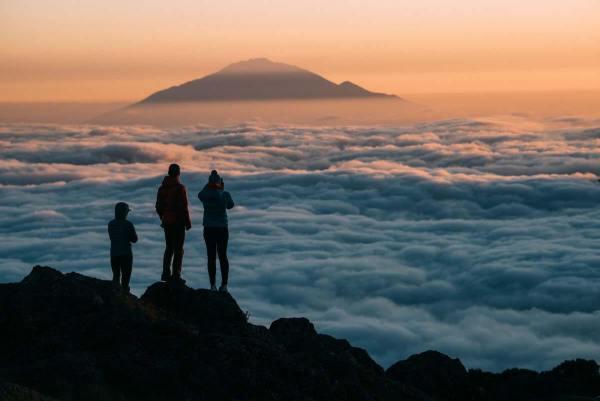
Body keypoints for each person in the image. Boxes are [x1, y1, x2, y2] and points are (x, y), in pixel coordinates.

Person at [198, 170, 235, 292]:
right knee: (223, 256)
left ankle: (212, 285)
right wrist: (221, 188)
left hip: (209, 229)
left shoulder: (205, 195)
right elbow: (231, 205)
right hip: (222, 229)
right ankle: (224, 285)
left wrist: (210, 185)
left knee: (211, 257)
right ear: (219, 182)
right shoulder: (225, 194)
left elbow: (200, 195)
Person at [156, 163, 192, 283]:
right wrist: (187, 222)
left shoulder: (162, 189)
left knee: (169, 248)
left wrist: (163, 217)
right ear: (178, 173)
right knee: (178, 249)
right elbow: (183, 207)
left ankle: (165, 274)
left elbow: (158, 207)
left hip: (167, 221)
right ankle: (176, 274)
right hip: (178, 222)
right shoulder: (180, 188)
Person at [108, 202, 138, 293]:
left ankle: (115, 294)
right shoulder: (128, 224)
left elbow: (111, 237)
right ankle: (125, 294)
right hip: (126, 254)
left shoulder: (111, 224)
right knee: (126, 277)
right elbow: (134, 239)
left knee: (116, 275)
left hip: (114, 254)